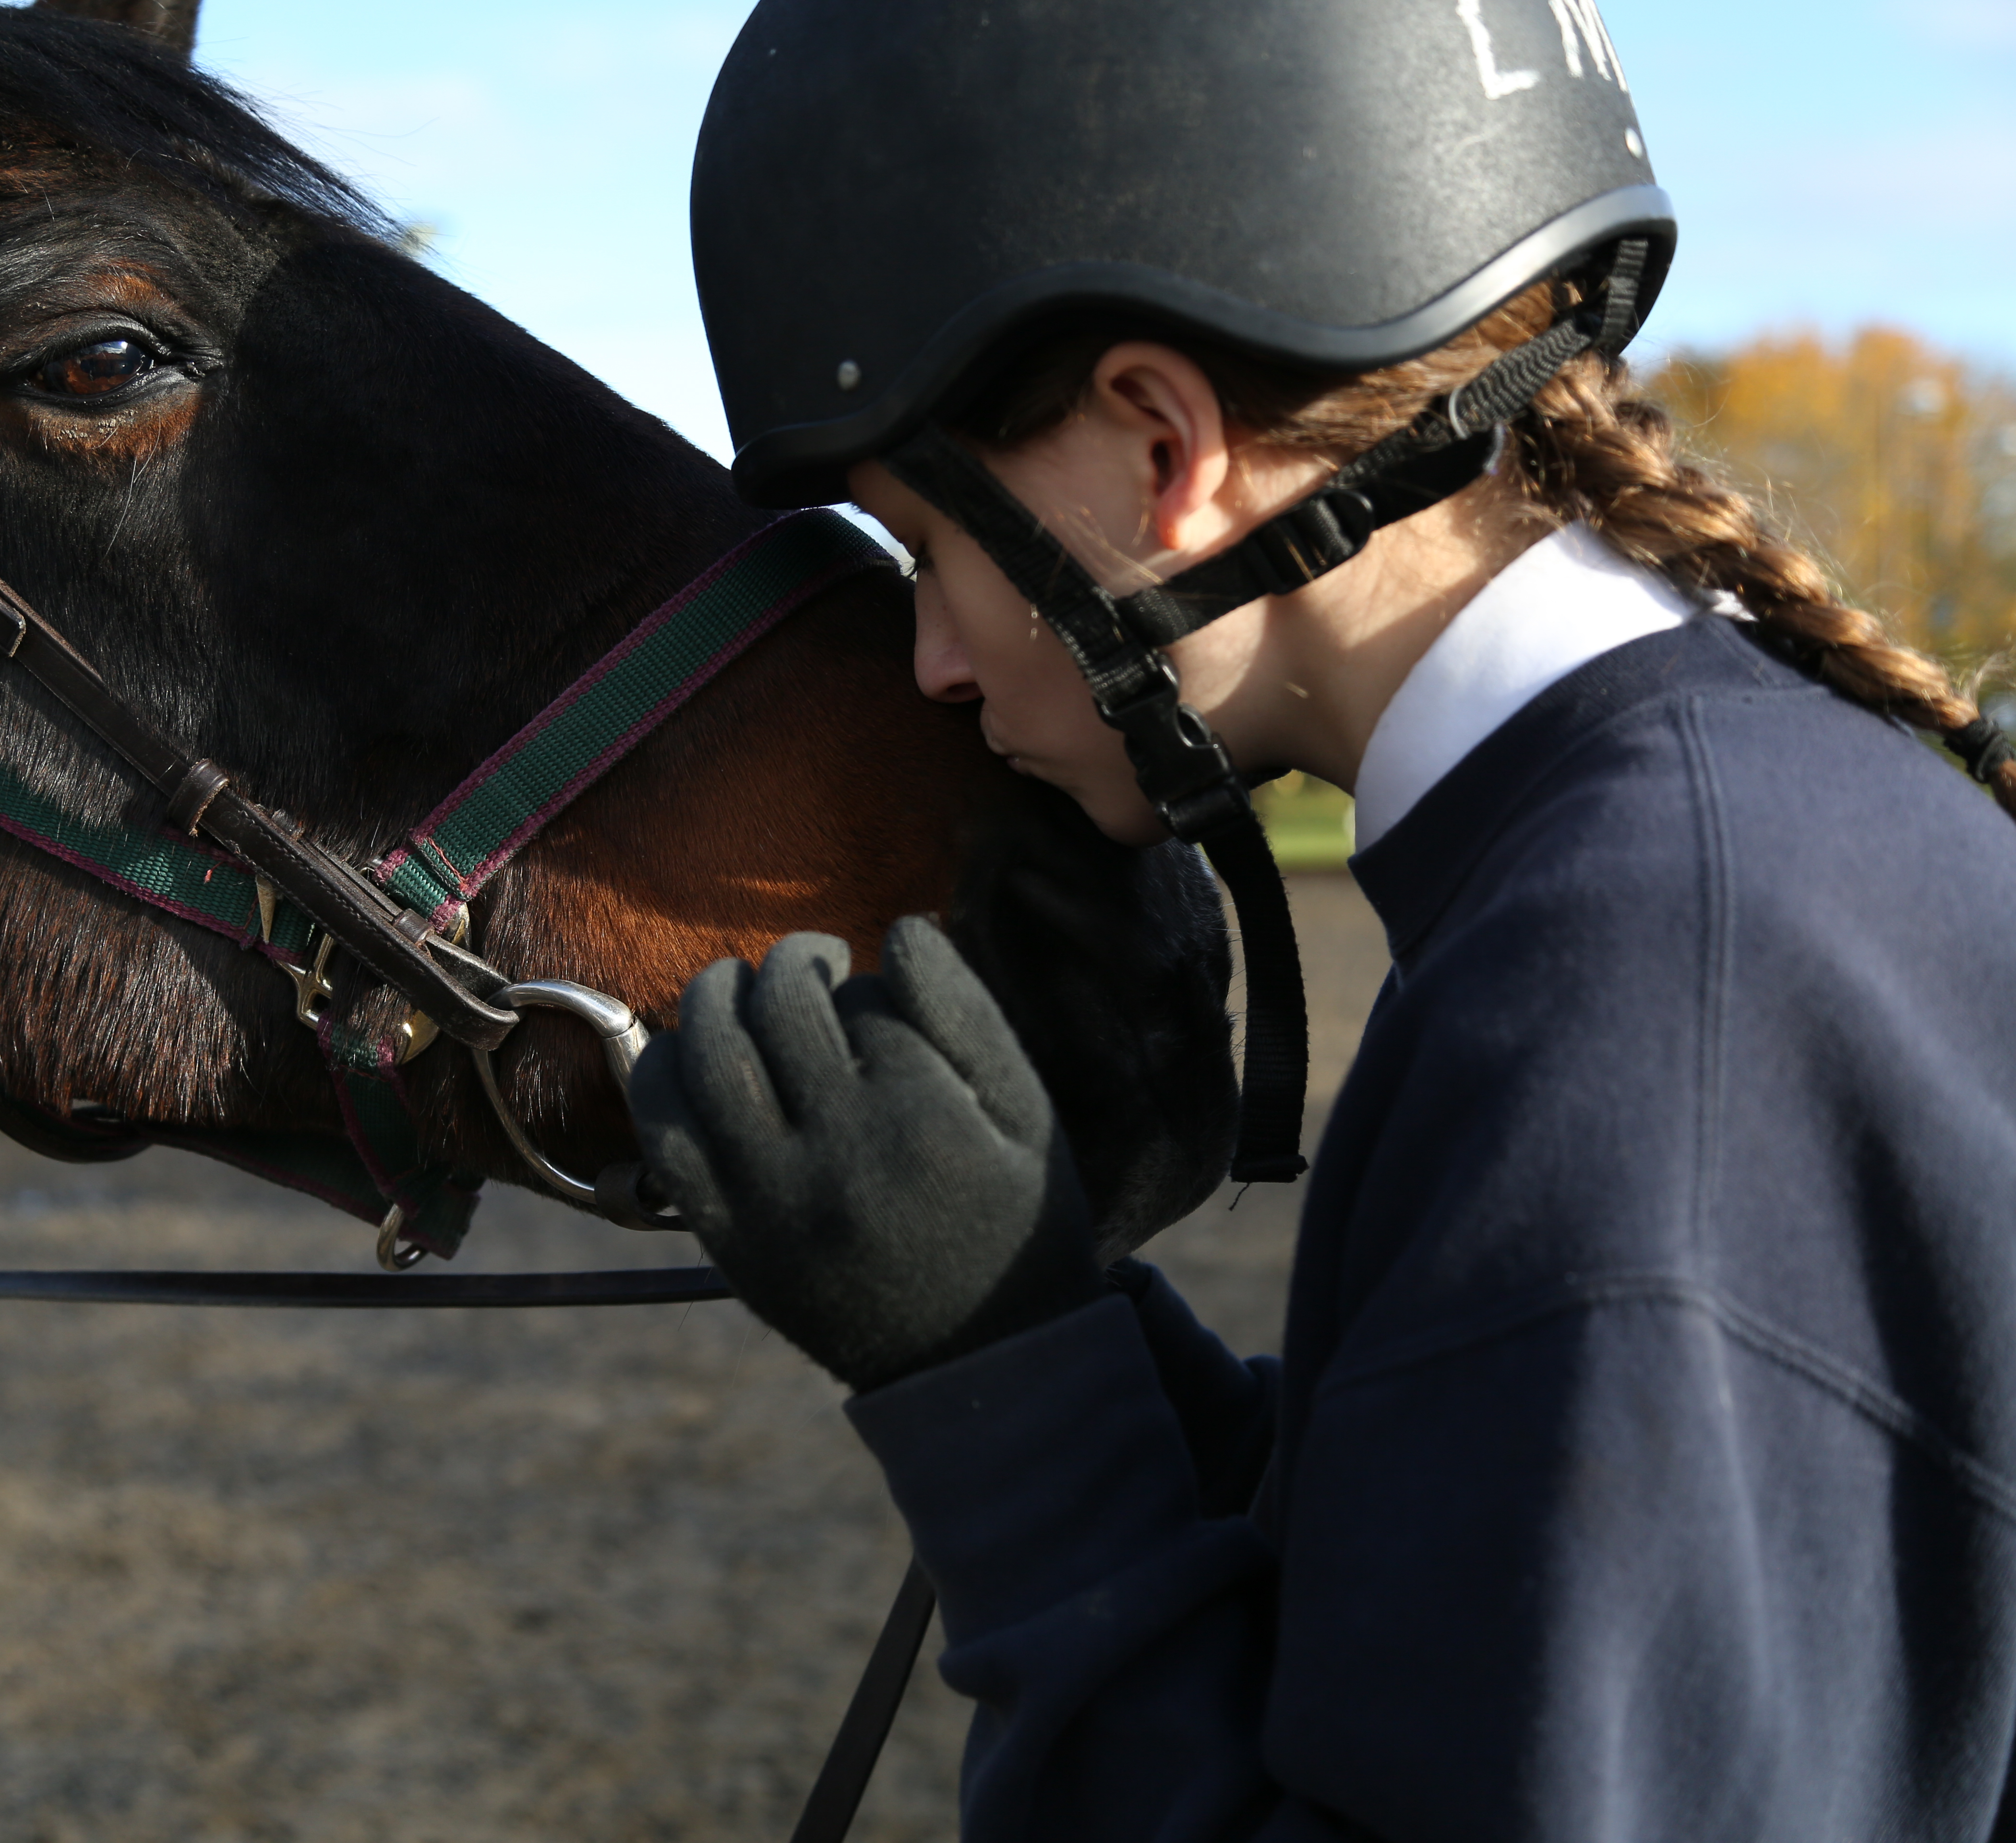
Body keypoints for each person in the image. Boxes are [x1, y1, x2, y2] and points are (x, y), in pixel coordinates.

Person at [630, 1, 2016, 1837]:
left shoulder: (1645, 996)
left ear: (1162, 448)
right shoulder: (1722, 842)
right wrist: (1052, 1318)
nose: (937, 662)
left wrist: (999, 1402)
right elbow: (1467, 1564)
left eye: (927, 552)